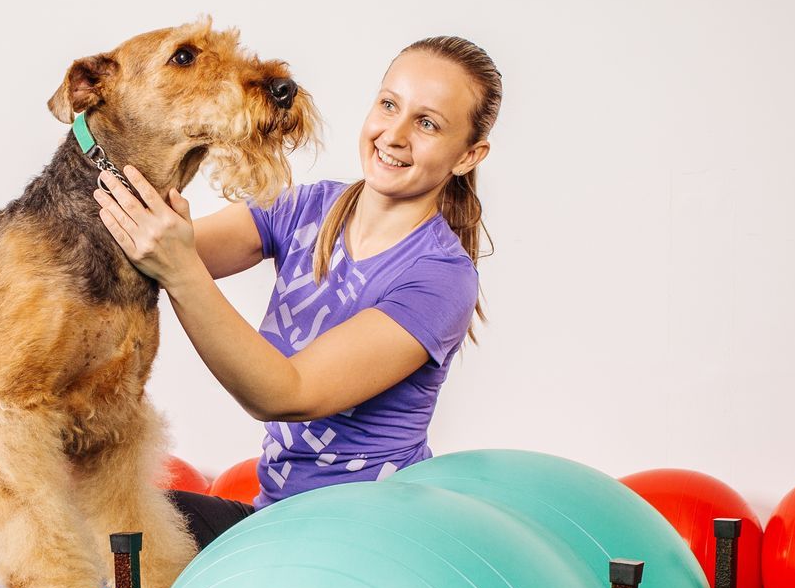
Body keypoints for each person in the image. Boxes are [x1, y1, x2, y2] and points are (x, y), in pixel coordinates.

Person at [93, 35, 503, 550]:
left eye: (427, 123)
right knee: (109, 523)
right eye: (389, 104)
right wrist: (125, 129)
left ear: (468, 156)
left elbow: (285, 394)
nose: (393, 135)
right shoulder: (305, 207)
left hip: (372, 539)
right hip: (280, 522)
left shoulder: (442, 277)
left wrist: (178, 268)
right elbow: (152, 250)